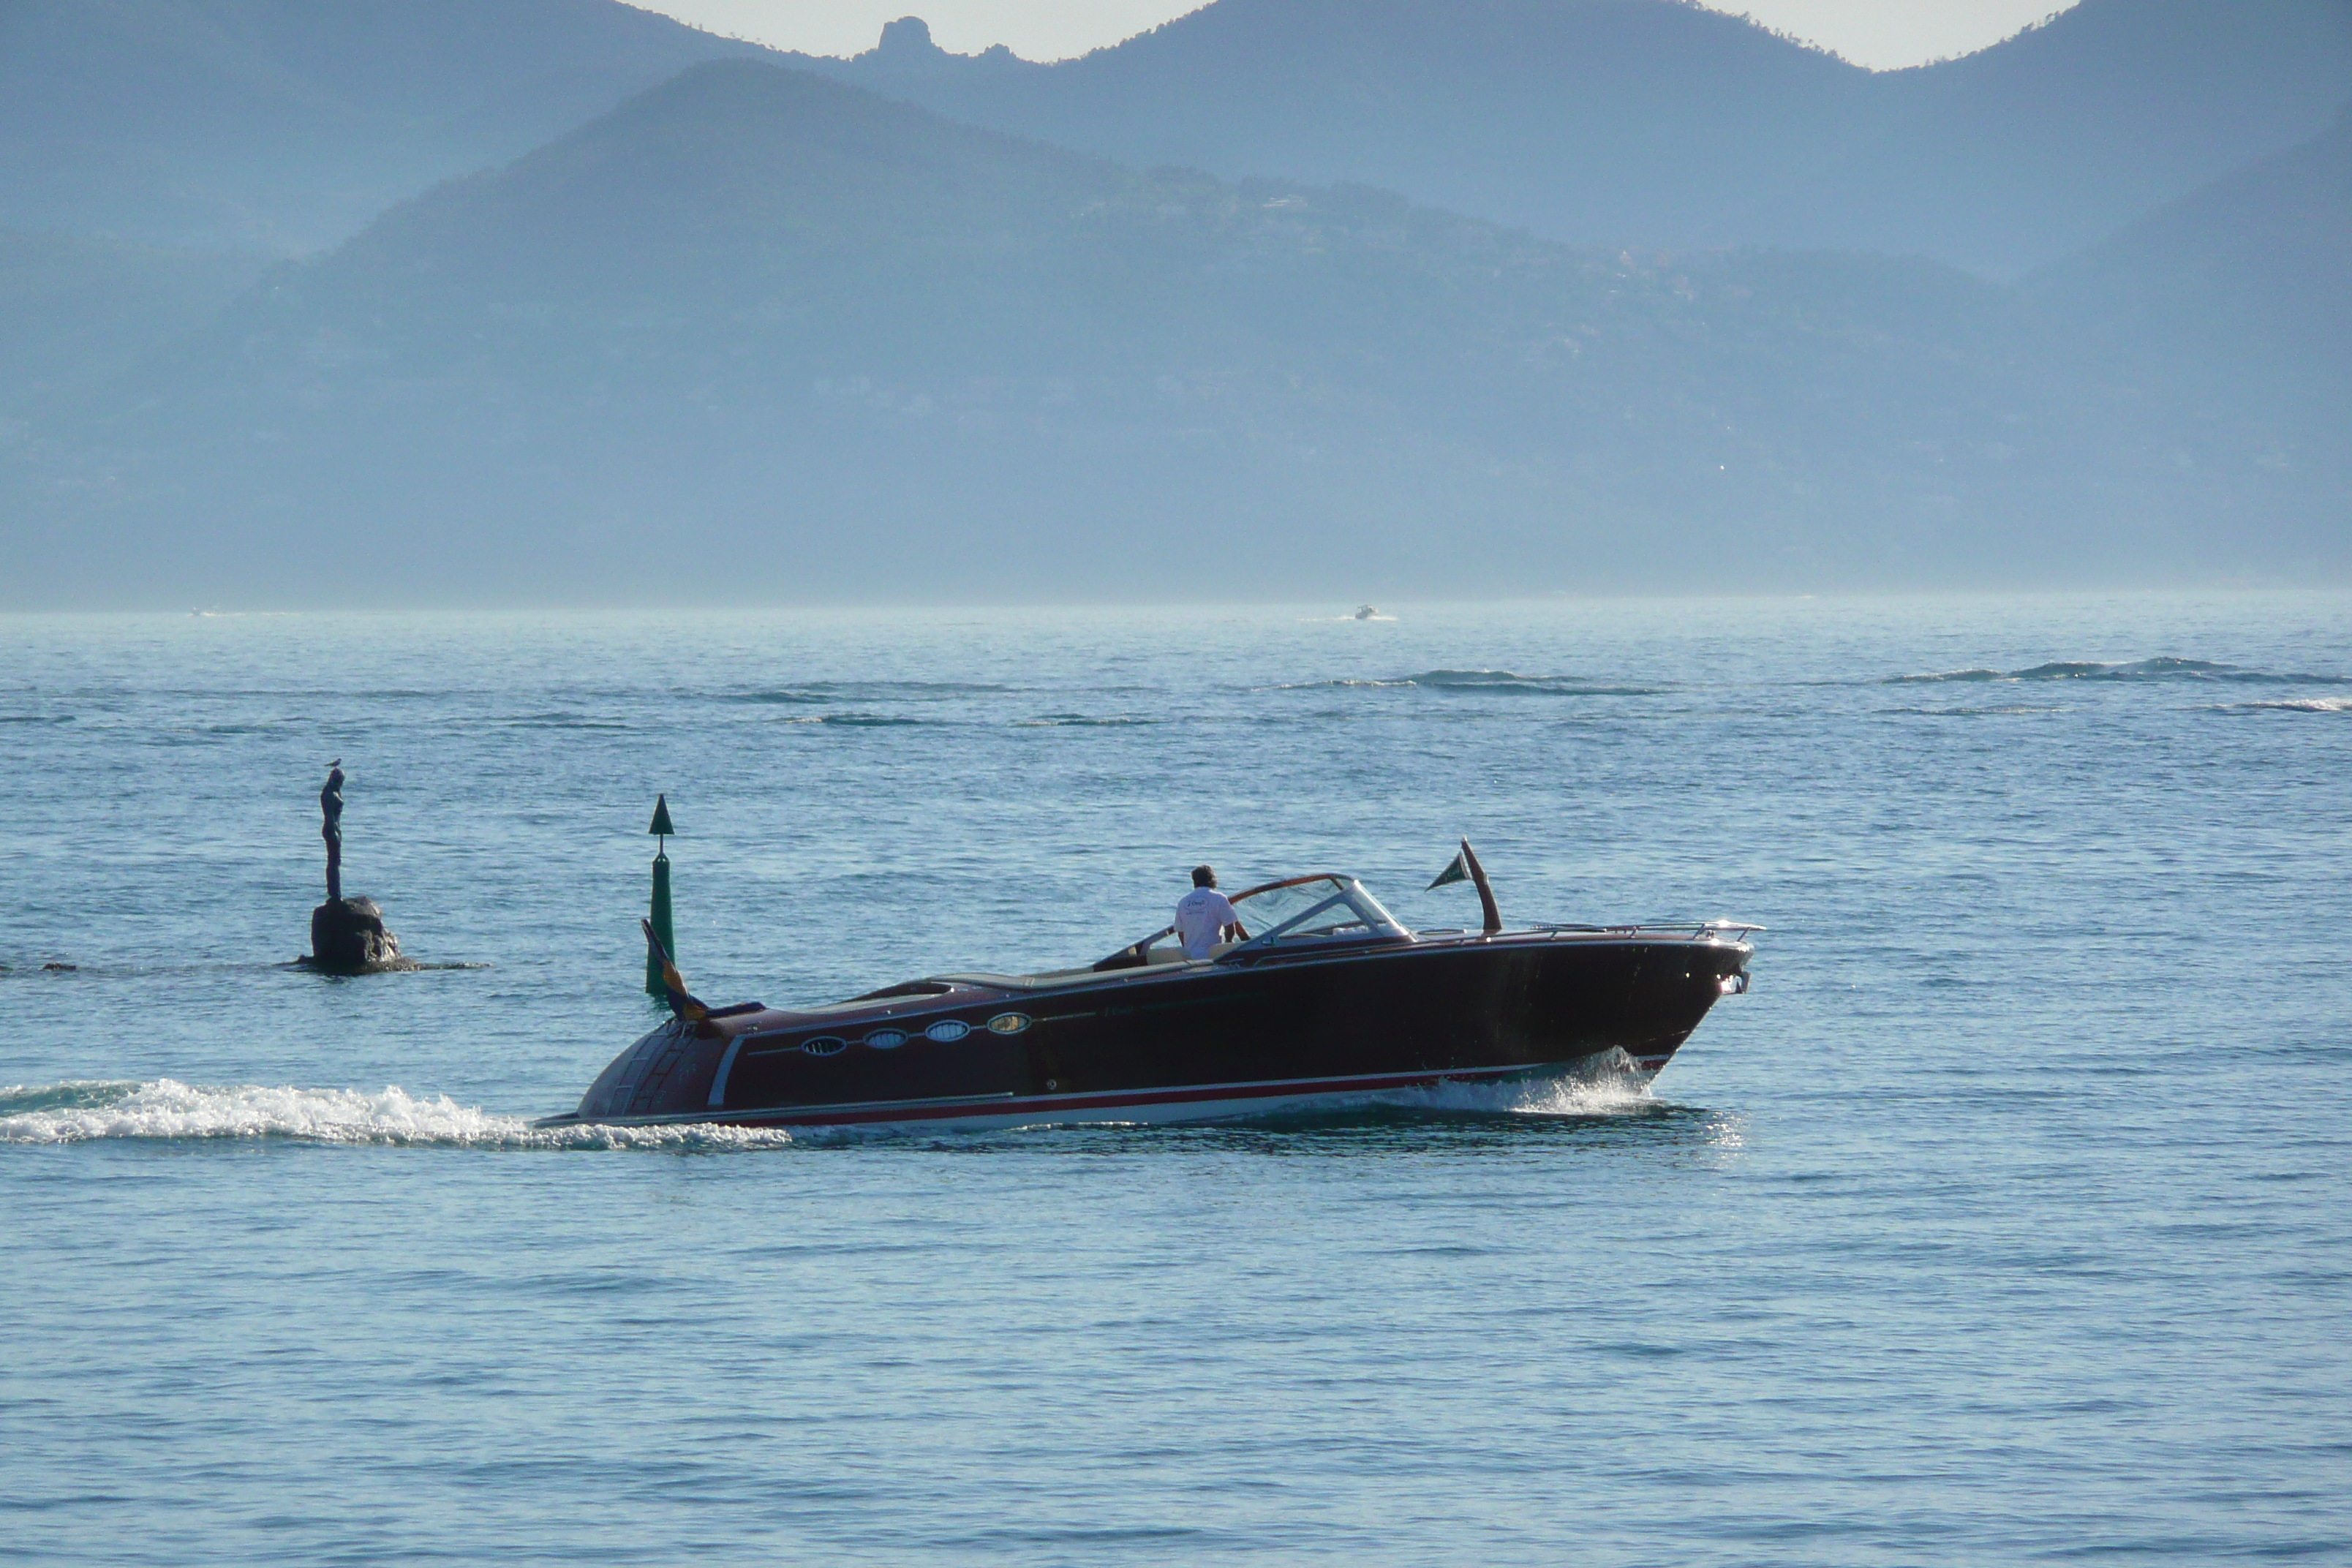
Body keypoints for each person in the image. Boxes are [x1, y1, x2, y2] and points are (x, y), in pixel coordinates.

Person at [1173, 865, 1243, 960]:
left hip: (1191, 958)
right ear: (1211, 880)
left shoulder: (1183, 902)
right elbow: (1230, 928)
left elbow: (1181, 933)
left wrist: (1187, 952)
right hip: (1213, 957)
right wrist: (1227, 946)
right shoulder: (1219, 898)